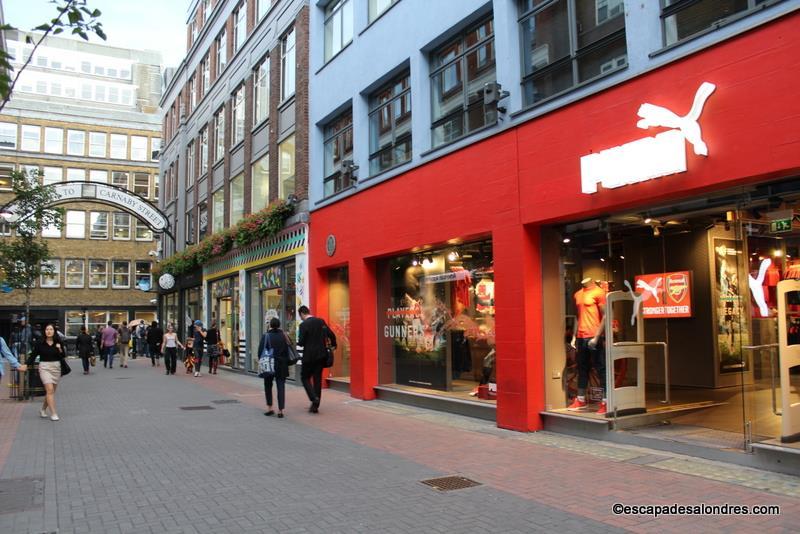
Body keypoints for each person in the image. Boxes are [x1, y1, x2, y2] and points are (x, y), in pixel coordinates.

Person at [568, 277, 607, 414]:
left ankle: (606, 401)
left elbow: (605, 315)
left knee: (600, 368)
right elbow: (579, 316)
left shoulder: (599, 292)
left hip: (593, 335)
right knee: (582, 368)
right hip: (581, 336)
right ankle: (580, 399)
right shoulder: (578, 294)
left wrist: (597, 336)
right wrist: (574, 336)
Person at [297, 305, 336, 414]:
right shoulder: (321, 321)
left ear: (302, 314)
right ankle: (315, 406)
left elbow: (301, 342)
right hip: (321, 356)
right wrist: (334, 345)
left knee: (304, 377)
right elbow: (331, 334)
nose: (301, 318)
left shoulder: (303, 325)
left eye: (300, 316)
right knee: (317, 379)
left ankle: (313, 398)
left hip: (308, 357)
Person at [27, 324, 66, 421]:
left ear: (54, 331)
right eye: (47, 329)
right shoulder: (40, 343)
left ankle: (43, 409)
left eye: (51, 329)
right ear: (44, 331)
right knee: (49, 390)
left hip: (56, 368)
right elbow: (33, 355)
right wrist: (26, 364)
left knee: (51, 392)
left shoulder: (58, 342)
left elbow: (63, 356)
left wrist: (60, 349)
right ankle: (53, 413)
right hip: (44, 367)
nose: (49, 331)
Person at [258, 317, 290, 418]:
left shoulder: (266, 336)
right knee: (281, 386)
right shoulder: (284, 336)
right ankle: (280, 410)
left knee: (268, 385)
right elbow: (288, 350)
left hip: (269, 364)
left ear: (270, 325)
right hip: (282, 364)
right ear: (279, 325)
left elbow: (260, 351)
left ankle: (270, 408)